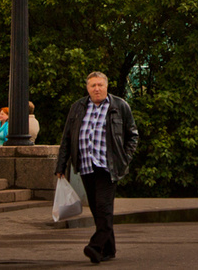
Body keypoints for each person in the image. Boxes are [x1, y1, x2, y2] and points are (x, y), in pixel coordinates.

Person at [56, 71, 139, 264]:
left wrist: (124, 160)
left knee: (103, 207)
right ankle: (109, 249)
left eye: (100, 85)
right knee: (97, 209)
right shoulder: (77, 107)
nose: (97, 89)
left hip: (108, 166)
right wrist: (61, 165)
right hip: (86, 166)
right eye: (93, 85)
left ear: (106, 86)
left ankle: (95, 246)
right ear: (87, 88)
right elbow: (67, 138)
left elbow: (132, 135)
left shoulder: (119, 106)